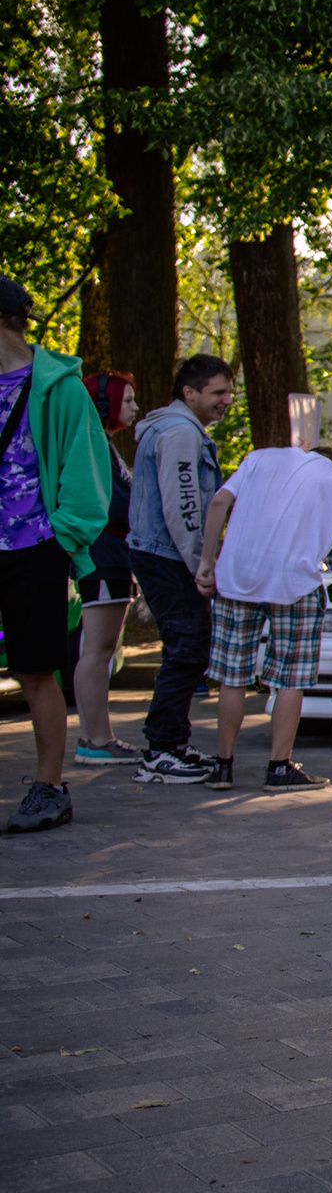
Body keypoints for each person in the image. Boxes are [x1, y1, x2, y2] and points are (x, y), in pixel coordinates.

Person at [193, 443, 332, 790]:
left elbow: (220, 502)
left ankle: (223, 766)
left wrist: (207, 562)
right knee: (290, 679)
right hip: (294, 584)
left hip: (237, 577)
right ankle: (279, 768)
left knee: (232, 677)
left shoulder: (259, 458)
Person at [0, 278, 113, 831]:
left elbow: (88, 478)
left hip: (34, 550)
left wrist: (60, 539)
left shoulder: (60, 389)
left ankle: (49, 789)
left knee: (35, 670)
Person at [129, 353, 235, 784]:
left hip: (161, 555)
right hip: (167, 558)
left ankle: (171, 742)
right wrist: (201, 565)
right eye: (217, 392)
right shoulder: (179, 434)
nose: (226, 400)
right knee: (186, 648)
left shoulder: (178, 429)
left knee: (187, 649)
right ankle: (161, 751)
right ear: (189, 393)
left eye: (229, 391)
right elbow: (184, 506)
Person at [72, 373, 144, 766]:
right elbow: (113, 505)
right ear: (106, 404)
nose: (135, 408)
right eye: (129, 400)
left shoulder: (100, 443)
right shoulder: (95, 444)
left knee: (97, 650)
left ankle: (95, 737)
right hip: (104, 556)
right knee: (98, 651)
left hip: (108, 556)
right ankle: (96, 739)